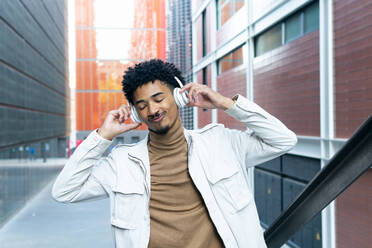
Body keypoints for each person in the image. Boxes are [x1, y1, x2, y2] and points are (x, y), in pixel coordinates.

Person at [51, 59, 297, 248]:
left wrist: (224, 103)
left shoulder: (221, 143)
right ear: (136, 114)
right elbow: (65, 191)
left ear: (178, 98)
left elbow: (283, 140)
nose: (153, 110)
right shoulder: (123, 163)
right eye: (142, 105)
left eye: (159, 98)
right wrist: (103, 136)